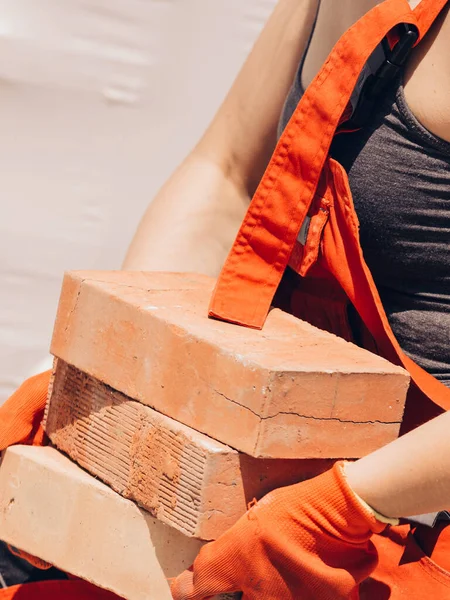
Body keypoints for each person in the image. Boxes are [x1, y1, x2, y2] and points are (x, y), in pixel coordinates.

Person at [1, 0, 450, 598]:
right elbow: (227, 175)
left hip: (411, 523)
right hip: (283, 461)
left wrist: (342, 507)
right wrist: (125, 382)